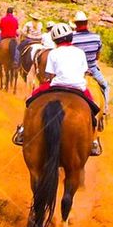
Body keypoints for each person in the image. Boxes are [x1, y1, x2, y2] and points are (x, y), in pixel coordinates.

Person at [12, 22, 101, 155]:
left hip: (57, 84)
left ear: (55, 40)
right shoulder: (80, 52)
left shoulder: (53, 53)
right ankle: (93, 140)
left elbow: (50, 75)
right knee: (93, 107)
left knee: (30, 100)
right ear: (71, 37)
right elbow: (83, 72)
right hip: (78, 86)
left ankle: (23, 130)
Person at [71, 11, 110, 112]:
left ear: (76, 24)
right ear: (86, 23)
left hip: (76, 71)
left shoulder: (72, 39)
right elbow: (97, 57)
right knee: (105, 86)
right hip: (92, 69)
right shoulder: (96, 37)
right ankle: (105, 109)